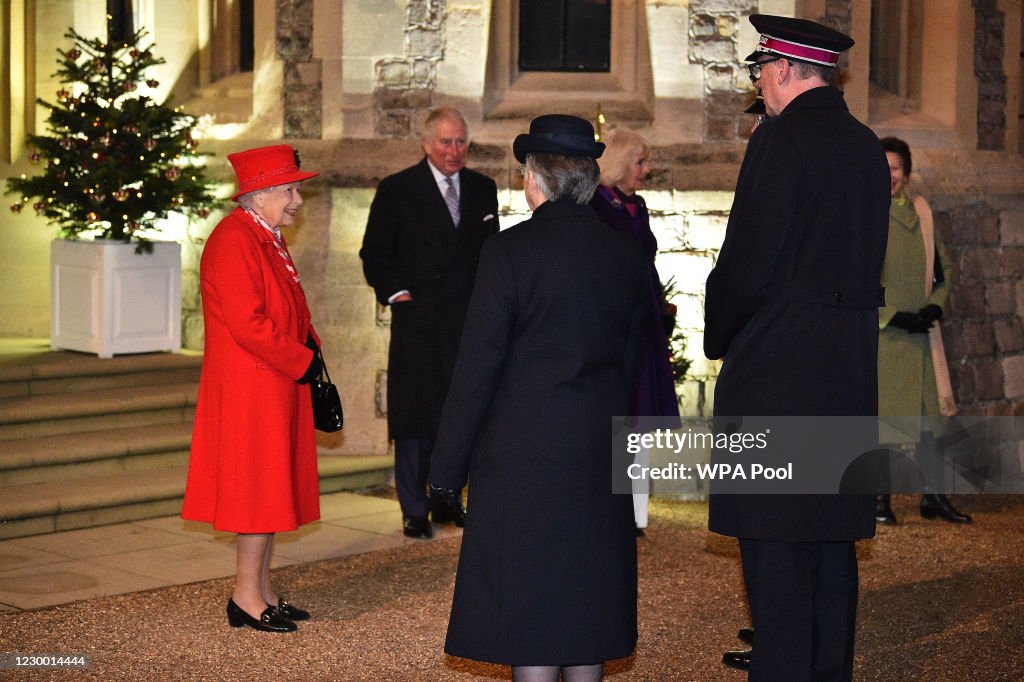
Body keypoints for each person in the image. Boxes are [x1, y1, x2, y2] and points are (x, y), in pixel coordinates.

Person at [428, 114, 649, 682]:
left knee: (531, 605)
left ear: (536, 179)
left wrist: (446, 469)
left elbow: (478, 365)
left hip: (524, 456)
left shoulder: (508, 252)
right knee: (587, 600)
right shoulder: (625, 255)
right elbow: (629, 362)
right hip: (599, 451)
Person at [703, 15, 890, 681]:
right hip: (845, 379)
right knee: (832, 562)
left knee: (778, 569)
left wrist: (717, 332)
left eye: (761, 72)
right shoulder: (869, 148)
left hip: (778, 380)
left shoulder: (780, 143)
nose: (762, 84)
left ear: (781, 69)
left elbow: (745, 266)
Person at [181, 144, 322, 633]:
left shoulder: (262, 234)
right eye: (290, 189)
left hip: (271, 382)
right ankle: (245, 595)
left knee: (270, 490)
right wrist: (302, 360)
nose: (297, 199)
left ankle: (262, 590)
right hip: (251, 387)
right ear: (259, 194)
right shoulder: (233, 239)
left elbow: (290, 306)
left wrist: (311, 352)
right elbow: (247, 323)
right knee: (257, 493)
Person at [360, 106, 499, 539]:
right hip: (419, 323)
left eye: (461, 142)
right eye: (445, 142)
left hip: (465, 323)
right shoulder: (398, 189)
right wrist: (399, 295)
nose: (454, 151)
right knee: (415, 417)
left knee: (458, 413)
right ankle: (414, 508)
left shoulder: (482, 188)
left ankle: (447, 499)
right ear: (426, 143)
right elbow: (375, 254)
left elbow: (492, 255)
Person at [874, 137, 971, 526]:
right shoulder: (864, 214)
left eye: (895, 168)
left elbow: (942, 270)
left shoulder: (922, 213)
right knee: (882, 419)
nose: (889, 175)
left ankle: (934, 496)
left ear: (907, 173)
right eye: (882, 167)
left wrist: (936, 305)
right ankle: (878, 499)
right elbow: (854, 278)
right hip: (885, 335)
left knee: (933, 420)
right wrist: (892, 316)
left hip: (923, 336)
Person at [589, 128, 679, 537]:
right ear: (620, 164)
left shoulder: (636, 207)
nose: (646, 170)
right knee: (611, 418)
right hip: (611, 331)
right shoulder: (593, 206)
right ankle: (607, 509)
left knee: (638, 421)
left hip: (643, 328)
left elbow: (647, 265)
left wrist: (662, 308)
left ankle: (635, 513)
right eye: (640, 162)